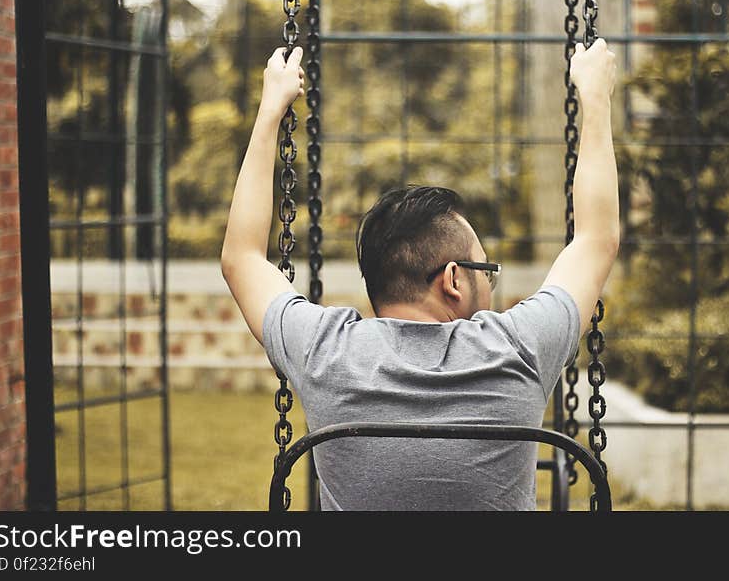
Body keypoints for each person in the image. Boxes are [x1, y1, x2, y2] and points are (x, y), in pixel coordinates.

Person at [221, 40, 619, 510]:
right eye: (485, 269)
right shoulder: (518, 348)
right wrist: (594, 97)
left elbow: (242, 258)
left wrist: (271, 110)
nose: (490, 282)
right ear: (452, 279)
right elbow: (595, 239)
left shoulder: (324, 352)